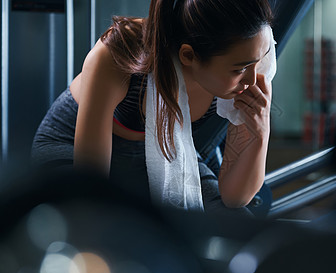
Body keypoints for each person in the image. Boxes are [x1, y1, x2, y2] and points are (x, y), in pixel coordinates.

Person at [31, 0, 275, 216]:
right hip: (71, 149)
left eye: (259, 62)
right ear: (188, 56)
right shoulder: (119, 53)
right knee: (121, 233)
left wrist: (260, 132)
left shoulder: (249, 60)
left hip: (165, 150)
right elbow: (91, 185)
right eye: (239, 69)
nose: (253, 79)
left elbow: (234, 199)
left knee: (233, 226)